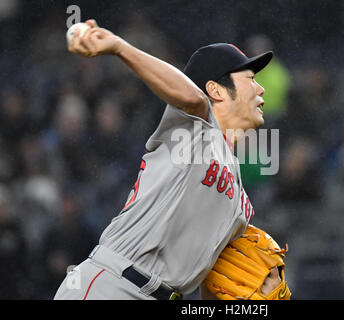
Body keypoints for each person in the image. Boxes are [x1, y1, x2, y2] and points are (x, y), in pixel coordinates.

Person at [54, 20, 281, 300]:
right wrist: (118, 47)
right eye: (251, 79)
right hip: (114, 284)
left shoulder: (242, 205)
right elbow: (192, 98)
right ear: (217, 90)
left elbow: (211, 285)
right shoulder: (192, 130)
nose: (261, 90)